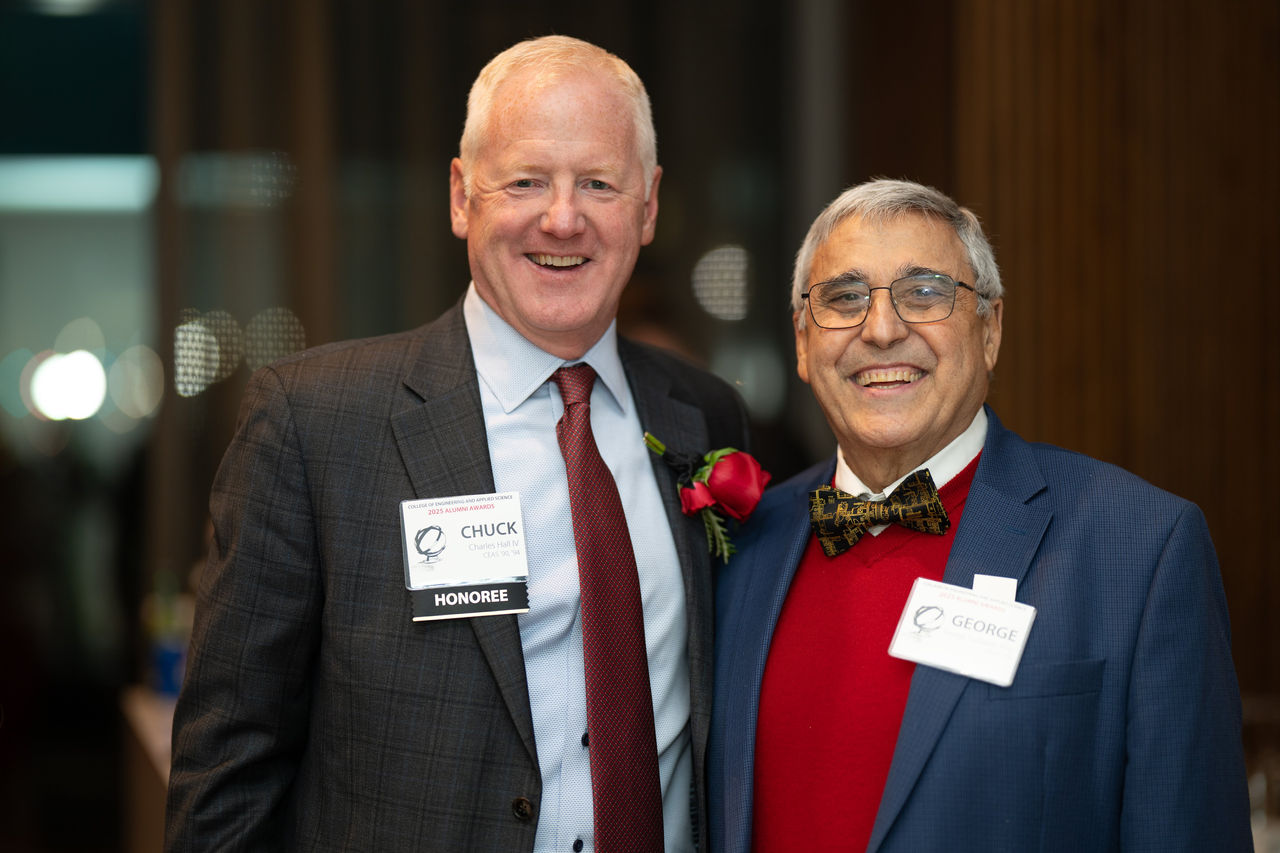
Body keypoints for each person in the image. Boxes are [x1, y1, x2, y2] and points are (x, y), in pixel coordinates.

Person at [166, 35, 750, 852]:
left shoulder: (706, 416)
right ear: (459, 196)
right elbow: (228, 776)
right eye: (525, 181)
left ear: (648, 206)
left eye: (598, 183)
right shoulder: (314, 424)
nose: (562, 217)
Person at [707, 178, 1251, 852]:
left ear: (990, 330)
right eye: (845, 298)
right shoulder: (745, 546)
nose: (881, 329)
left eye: (925, 292)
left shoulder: (1141, 548)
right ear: (802, 343)